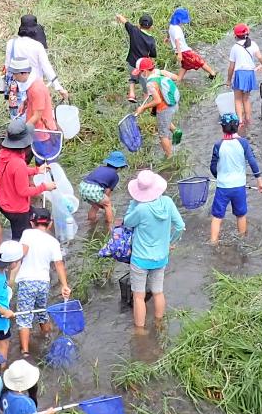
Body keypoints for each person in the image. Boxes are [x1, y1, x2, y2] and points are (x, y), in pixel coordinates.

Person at [123, 170, 186, 331]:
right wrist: (171, 242)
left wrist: (132, 204)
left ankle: (140, 331)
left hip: (140, 259)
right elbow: (180, 226)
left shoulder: (141, 209)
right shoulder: (167, 202)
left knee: (138, 296)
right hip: (161, 257)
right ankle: (159, 324)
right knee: (158, 292)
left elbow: (127, 222)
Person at [11, 210, 71, 359]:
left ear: (32, 223)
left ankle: (25, 352)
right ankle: (48, 339)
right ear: (50, 223)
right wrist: (64, 285)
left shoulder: (27, 234)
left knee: (24, 317)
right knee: (42, 313)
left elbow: (21, 253)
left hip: (26, 281)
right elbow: (58, 264)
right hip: (43, 283)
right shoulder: (53, 242)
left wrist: (11, 277)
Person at [208, 112, 262, 244]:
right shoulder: (243, 143)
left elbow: (212, 166)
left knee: (217, 216)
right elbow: (252, 162)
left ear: (222, 128)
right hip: (239, 186)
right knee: (241, 214)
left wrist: (218, 176)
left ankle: (213, 242)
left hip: (223, 187)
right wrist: (259, 180)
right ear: (238, 126)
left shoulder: (218, 145)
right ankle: (242, 239)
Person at [0, 119, 51, 239]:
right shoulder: (19, 163)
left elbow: (14, 172)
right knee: (21, 239)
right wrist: (45, 187)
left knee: (29, 222)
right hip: (16, 208)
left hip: (5, 202)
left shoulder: (3, 153)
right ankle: (17, 256)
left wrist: (37, 170)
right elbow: (23, 191)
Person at [132, 58, 183, 158]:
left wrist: (143, 108)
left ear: (145, 71)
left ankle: (169, 158)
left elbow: (157, 100)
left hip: (164, 108)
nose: (140, 74)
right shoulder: (161, 72)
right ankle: (176, 131)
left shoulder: (150, 83)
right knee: (164, 121)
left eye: (140, 72)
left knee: (163, 135)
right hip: (173, 103)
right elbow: (177, 78)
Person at [79, 147, 129, 232]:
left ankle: (91, 222)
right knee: (107, 204)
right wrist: (105, 203)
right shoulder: (115, 176)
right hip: (93, 189)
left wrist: (100, 202)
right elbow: (107, 192)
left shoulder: (100, 168)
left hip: (83, 186)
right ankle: (110, 226)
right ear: (120, 167)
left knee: (95, 205)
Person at [224, 24, 261, 131]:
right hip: (250, 74)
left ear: (235, 36)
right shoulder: (253, 44)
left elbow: (231, 67)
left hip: (240, 74)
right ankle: (248, 119)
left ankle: (240, 121)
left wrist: (228, 80)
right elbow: (260, 57)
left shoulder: (235, 47)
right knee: (246, 98)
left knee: (238, 99)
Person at [119, 13, 158, 102]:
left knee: (133, 79)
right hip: (143, 66)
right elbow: (152, 55)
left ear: (139, 24)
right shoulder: (151, 40)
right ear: (151, 27)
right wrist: (151, 66)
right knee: (145, 86)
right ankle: (144, 103)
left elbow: (125, 22)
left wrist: (119, 16)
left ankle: (132, 94)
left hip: (131, 62)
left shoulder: (134, 30)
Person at [168, 8, 209, 79]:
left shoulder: (171, 26)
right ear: (179, 20)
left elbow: (170, 33)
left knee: (185, 66)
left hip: (180, 51)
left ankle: (178, 79)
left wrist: (167, 38)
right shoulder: (177, 29)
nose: (183, 23)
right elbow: (177, 40)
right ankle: (213, 73)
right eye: (182, 21)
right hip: (184, 51)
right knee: (200, 61)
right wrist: (180, 54)